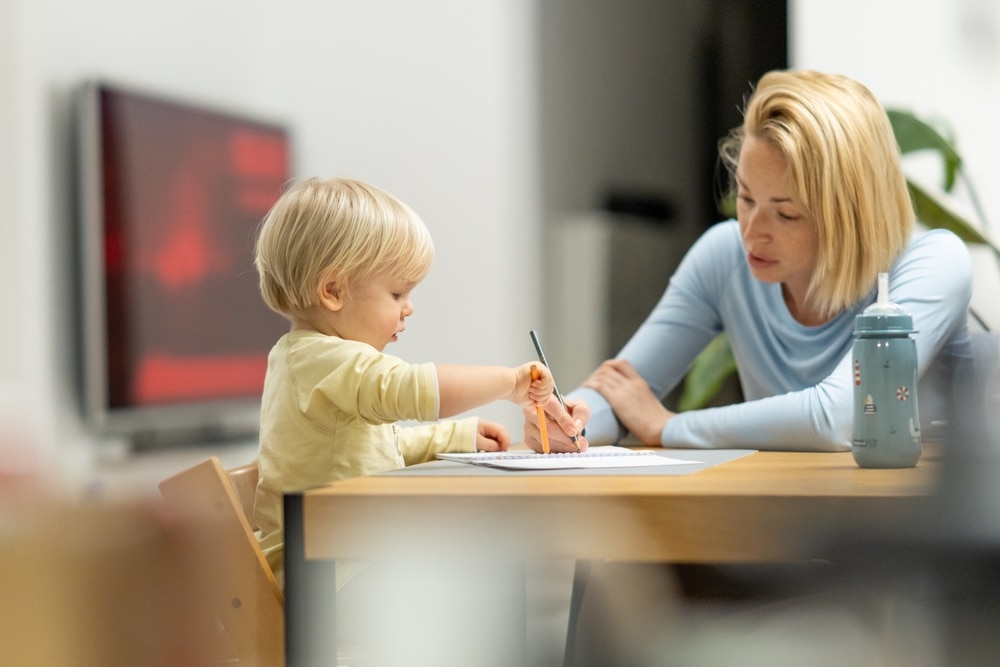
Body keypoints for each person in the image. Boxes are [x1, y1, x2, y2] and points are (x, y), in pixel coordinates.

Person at [524, 68, 973, 453]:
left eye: (786, 213)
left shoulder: (932, 263)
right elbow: (624, 389)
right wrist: (571, 420)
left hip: (918, 539)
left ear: (849, 215)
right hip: (788, 525)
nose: (752, 231)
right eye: (745, 198)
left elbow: (844, 416)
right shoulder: (726, 256)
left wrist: (668, 427)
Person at [251, 176, 578, 587]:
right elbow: (414, 389)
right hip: (328, 575)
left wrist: (455, 437)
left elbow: (372, 449)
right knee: (483, 564)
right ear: (332, 290)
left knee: (480, 561)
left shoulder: (305, 359)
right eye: (397, 294)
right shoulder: (323, 360)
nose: (409, 309)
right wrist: (510, 382)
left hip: (336, 560)